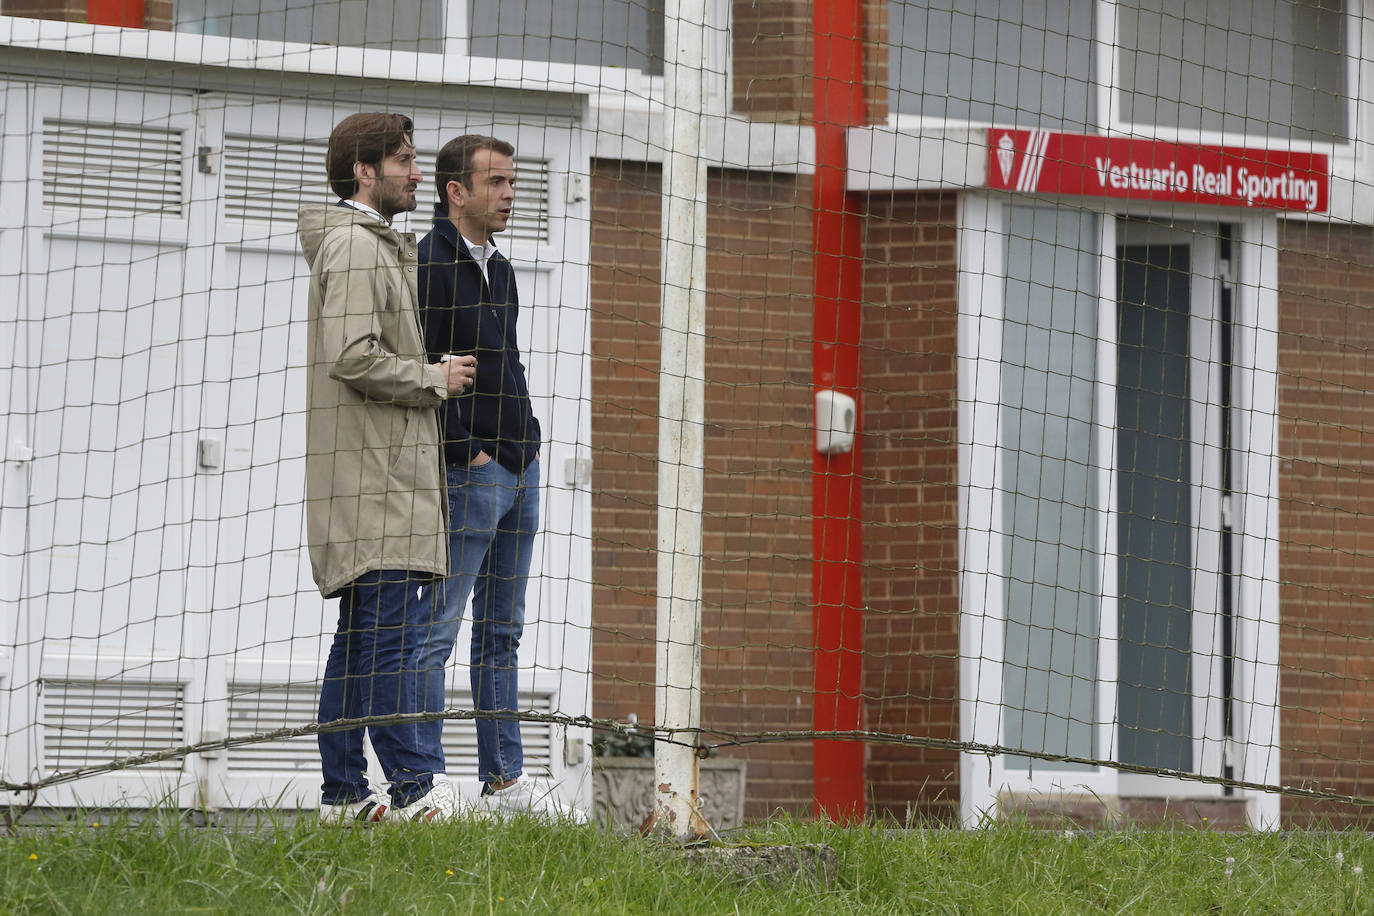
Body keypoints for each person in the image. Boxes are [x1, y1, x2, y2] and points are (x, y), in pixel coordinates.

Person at [298, 112, 477, 824]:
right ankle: (416, 790)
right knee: (390, 646)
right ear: (365, 172)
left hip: (379, 478)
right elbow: (353, 356)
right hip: (378, 484)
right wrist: (434, 377)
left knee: (359, 644)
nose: (416, 172)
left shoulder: (368, 245)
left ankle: (343, 797)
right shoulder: (356, 247)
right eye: (404, 160)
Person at [417, 135, 576, 819]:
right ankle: (419, 780)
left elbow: (507, 363)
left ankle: (503, 780)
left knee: (502, 630)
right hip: (472, 473)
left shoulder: (502, 270)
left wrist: (529, 444)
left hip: (521, 468)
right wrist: (465, 451)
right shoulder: (428, 263)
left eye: (512, 182)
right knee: (439, 628)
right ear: (457, 191)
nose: (510, 194)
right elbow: (419, 365)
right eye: (497, 183)